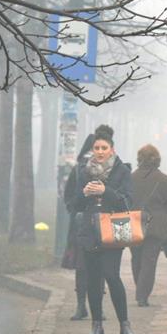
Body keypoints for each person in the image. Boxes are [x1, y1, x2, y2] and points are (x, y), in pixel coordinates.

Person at [69, 125, 135, 334]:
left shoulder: (122, 171)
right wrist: (84, 193)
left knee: (111, 275)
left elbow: (128, 202)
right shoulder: (83, 170)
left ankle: (124, 324)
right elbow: (75, 204)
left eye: (104, 148)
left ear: (112, 150)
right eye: (96, 147)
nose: (99, 151)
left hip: (113, 229)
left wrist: (106, 192)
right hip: (89, 229)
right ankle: (96, 325)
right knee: (92, 278)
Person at [130, 144, 167, 307]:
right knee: (149, 261)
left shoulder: (131, 178)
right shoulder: (164, 180)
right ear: (157, 159)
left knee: (136, 259)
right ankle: (142, 295)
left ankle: (140, 289)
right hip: (156, 225)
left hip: (134, 223)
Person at [62, 133, 95, 321]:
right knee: (92, 268)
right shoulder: (79, 170)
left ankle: (82, 305)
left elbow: (67, 197)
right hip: (87, 224)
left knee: (83, 267)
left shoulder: (77, 169)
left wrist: (73, 209)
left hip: (82, 223)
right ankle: (84, 305)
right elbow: (69, 196)